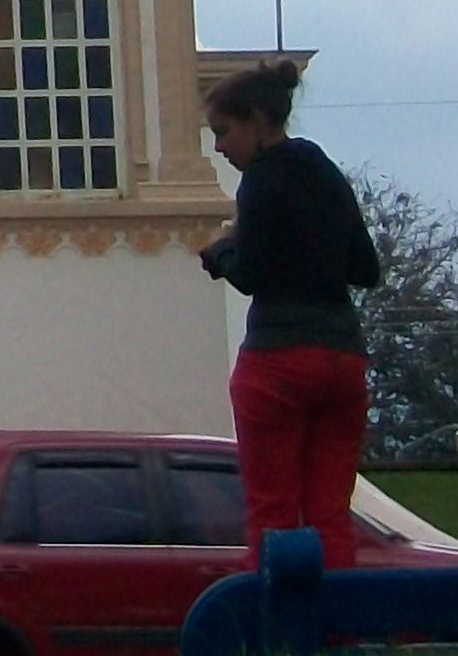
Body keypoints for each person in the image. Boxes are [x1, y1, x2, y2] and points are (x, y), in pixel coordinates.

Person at [198, 57, 381, 565]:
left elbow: (251, 273)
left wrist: (221, 250)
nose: (219, 146)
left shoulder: (260, 180)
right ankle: (337, 630)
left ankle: (278, 632)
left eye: (223, 131)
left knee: (272, 513)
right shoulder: (325, 173)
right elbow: (367, 269)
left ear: (257, 120)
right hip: (343, 358)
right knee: (329, 513)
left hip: (278, 360)